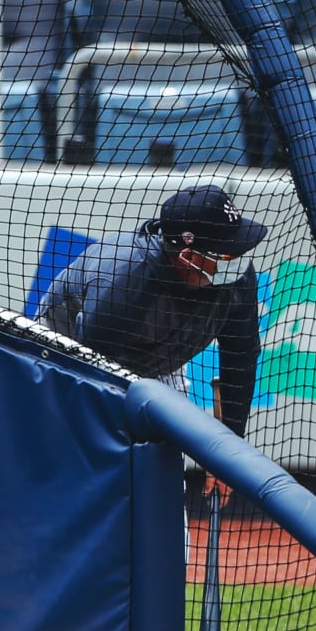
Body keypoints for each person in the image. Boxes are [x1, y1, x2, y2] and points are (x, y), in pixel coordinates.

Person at [34, 183, 267, 500]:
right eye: (225, 252)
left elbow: (240, 357)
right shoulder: (123, 283)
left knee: (162, 482)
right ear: (188, 257)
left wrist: (228, 452)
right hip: (68, 362)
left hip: (157, 361)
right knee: (81, 471)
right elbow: (92, 384)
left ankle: (164, 546)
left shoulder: (235, 277)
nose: (239, 258)